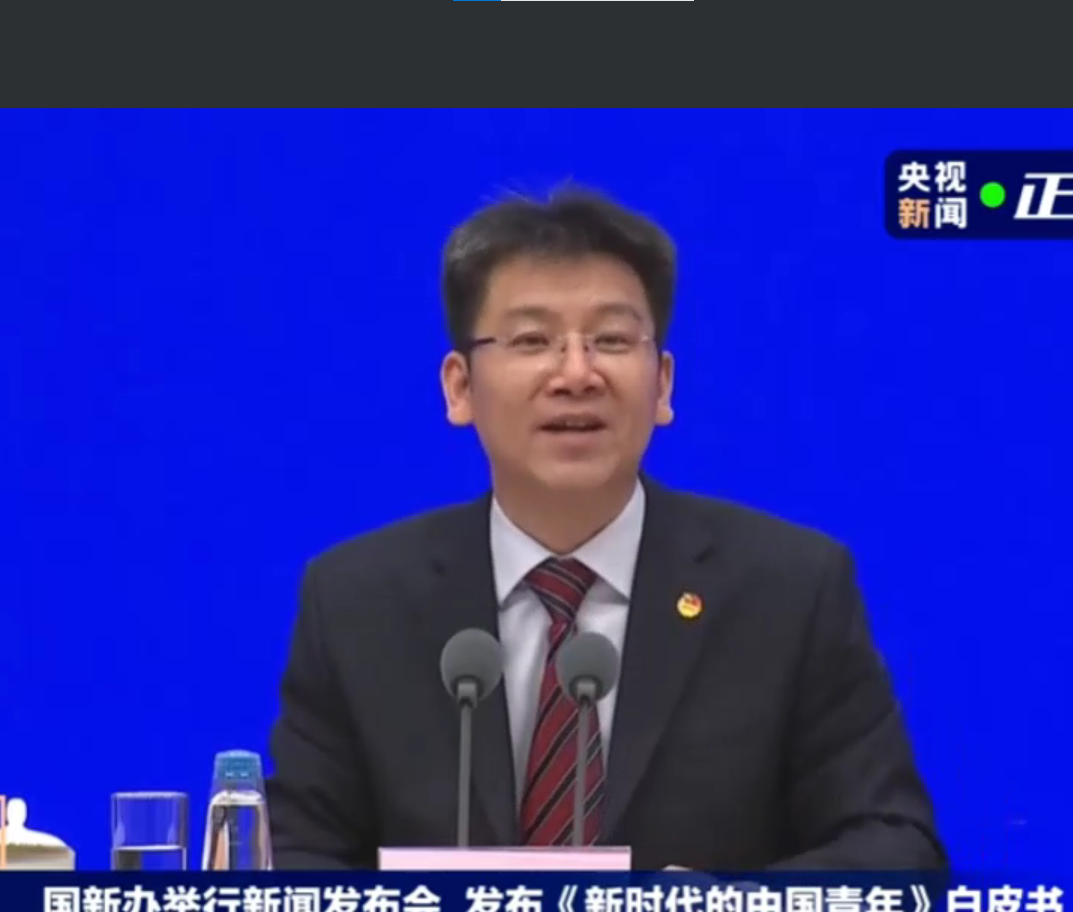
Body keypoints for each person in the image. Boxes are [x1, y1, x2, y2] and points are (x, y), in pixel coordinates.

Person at [265, 185, 946, 873]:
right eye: (532, 340)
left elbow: (894, 844)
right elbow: (295, 856)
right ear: (460, 387)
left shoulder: (790, 590)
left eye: (612, 340)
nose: (576, 374)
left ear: (663, 385)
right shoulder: (358, 602)